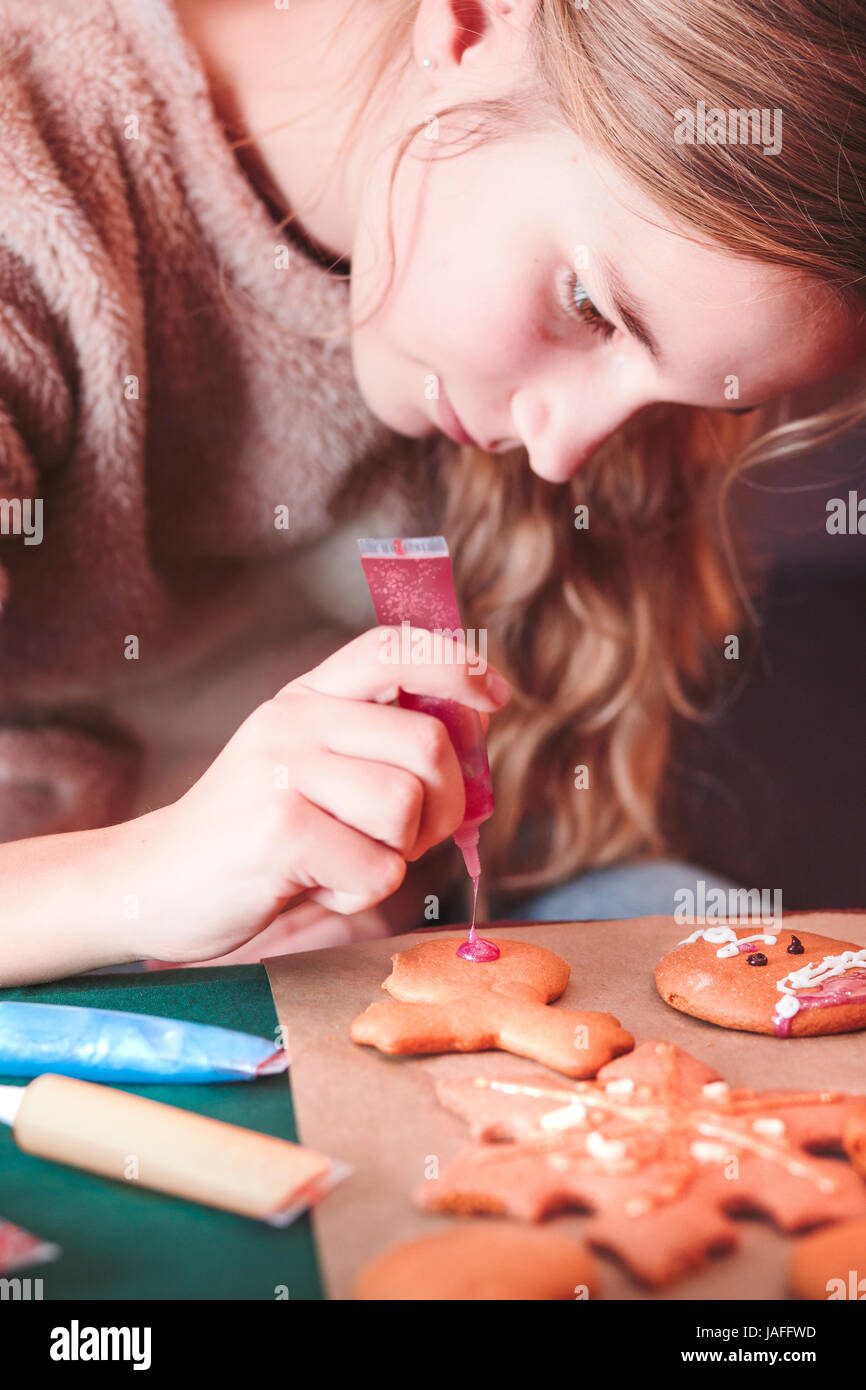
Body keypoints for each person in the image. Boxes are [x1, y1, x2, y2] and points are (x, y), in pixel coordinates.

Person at [0, 0, 863, 984]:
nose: (559, 457)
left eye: (671, 404)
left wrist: (375, 878)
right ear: (468, 25)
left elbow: (496, 826)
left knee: (671, 923)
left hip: (284, 943)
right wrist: (149, 879)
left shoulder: (485, 315)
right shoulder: (30, 182)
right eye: (589, 307)